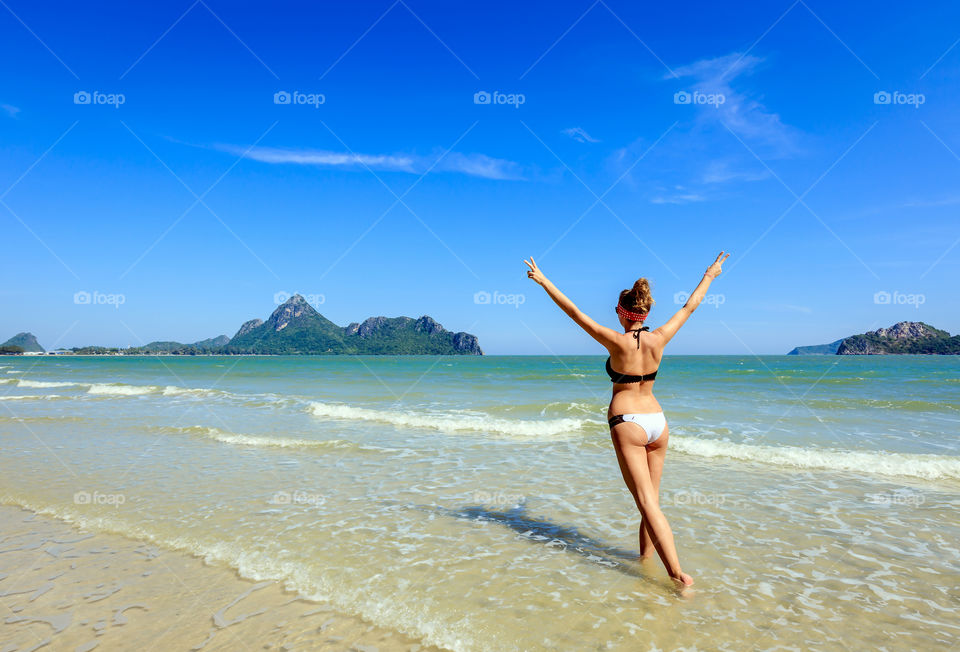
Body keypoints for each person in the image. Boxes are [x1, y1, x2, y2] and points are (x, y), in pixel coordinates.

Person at [524, 251, 730, 587]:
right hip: (658, 423)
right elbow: (690, 307)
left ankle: (678, 576)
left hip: (628, 423)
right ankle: (645, 563)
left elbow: (574, 312)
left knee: (647, 503)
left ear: (623, 314)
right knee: (652, 503)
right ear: (645, 311)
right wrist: (710, 275)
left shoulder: (616, 341)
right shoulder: (660, 337)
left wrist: (545, 281)